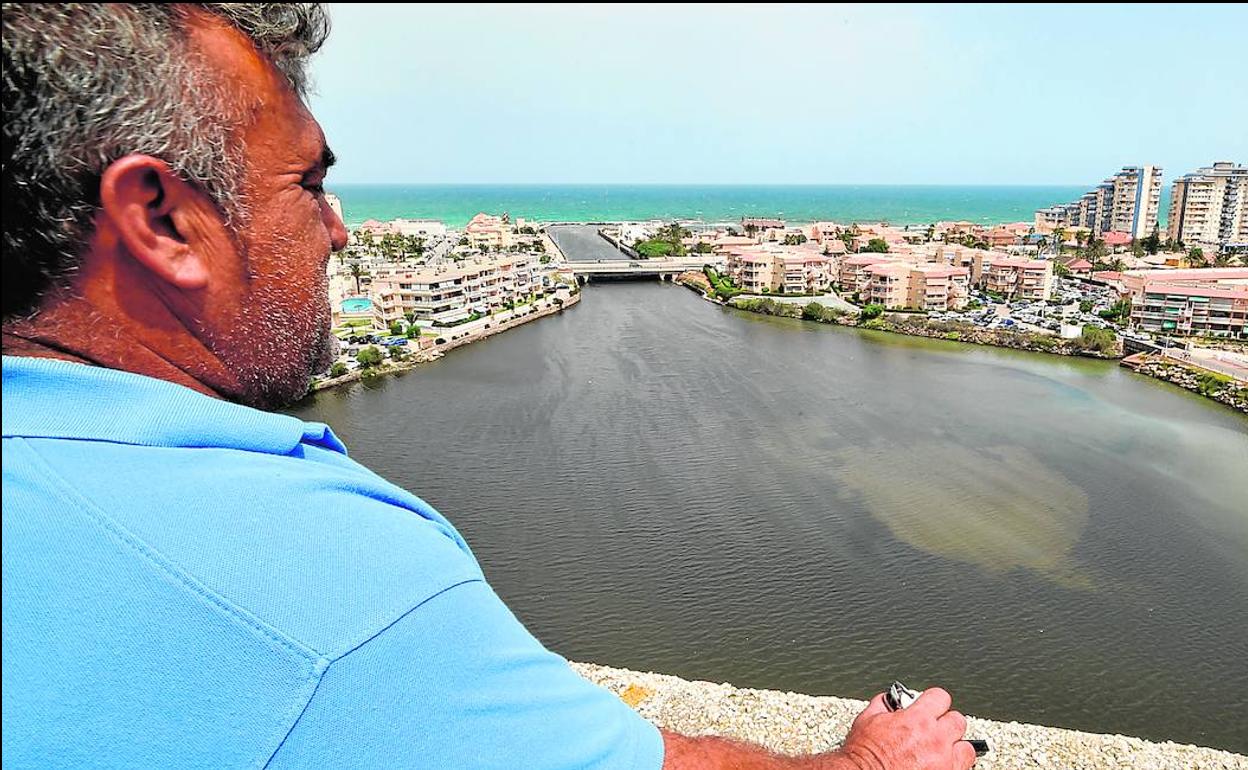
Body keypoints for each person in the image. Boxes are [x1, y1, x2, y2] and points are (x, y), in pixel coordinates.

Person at [1, 5, 975, 768]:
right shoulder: (333, 577)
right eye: (307, 184)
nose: (338, 230)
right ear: (162, 219)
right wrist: (869, 761)